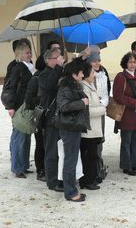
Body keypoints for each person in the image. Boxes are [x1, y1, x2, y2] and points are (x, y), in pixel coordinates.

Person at [56, 61, 89, 202]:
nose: (83, 74)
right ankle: (70, 192)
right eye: (81, 72)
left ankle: (71, 189)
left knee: (72, 159)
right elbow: (63, 106)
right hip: (69, 127)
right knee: (70, 159)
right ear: (74, 74)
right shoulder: (65, 88)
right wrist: (82, 103)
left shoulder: (73, 85)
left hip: (73, 126)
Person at [113, 52, 136, 176]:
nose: (132, 64)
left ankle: (135, 164)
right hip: (127, 114)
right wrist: (134, 103)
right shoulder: (121, 77)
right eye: (130, 62)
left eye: (134, 62)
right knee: (126, 141)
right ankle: (126, 166)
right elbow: (118, 96)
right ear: (125, 63)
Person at [38, 48, 65, 192]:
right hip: (51, 118)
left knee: (62, 150)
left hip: (62, 117)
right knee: (51, 151)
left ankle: (61, 178)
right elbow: (49, 85)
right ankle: (52, 181)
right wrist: (59, 67)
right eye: (57, 57)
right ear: (48, 60)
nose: (60, 58)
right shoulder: (43, 74)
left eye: (60, 56)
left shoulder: (60, 71)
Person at [6, 43, 34, 178]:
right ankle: (17, 167)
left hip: (28, 106)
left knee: (27, 136)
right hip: (19, 106)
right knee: (19, 137)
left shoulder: (30, 66)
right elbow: (11, 88)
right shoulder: (17, 68)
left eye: (30, 52)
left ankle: (24, 165)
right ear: (20, 54)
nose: (29, 55)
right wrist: (10, 107)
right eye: (27, 53)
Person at [79, 62, 106, 190]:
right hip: (88, 130)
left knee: (93, 155)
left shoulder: (90, 85)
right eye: (92, 72)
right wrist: (102, 109)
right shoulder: (83, 87)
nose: (94, 75)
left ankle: (92, 178)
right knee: (88, 156)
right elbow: (87, 110)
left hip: (94, 129)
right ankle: (87, 181)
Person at [85, 52, 109, 182]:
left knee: (100, 139)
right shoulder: (85, 78)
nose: (97, 63)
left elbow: (105, 92)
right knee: (91, 143)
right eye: (94, 61)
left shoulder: (103, 75)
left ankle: (99, 165)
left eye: (98, 60)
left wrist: (103, 104)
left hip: (101, 110)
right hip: (91, 113)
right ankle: (92, 170)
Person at [24, 56, 46, 181]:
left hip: (47, 115)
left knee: (46, 143)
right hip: (38, 115)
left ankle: (45, 168)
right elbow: (29, 100)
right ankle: (40, 170)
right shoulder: (36, 79)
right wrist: (41, 98)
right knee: (40, 144)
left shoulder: (47, 77)